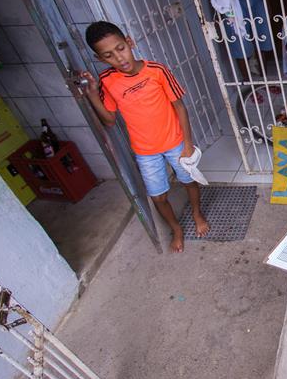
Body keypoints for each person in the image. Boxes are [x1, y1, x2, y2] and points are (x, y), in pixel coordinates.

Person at [81, 21, 210, 252]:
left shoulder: (157, 70)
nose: (119, 58)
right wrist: (92, 95)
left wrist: (187, 144)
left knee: (189, 181)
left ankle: (197, 213)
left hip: (175, 142)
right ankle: (176, 229)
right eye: (109, 55)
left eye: (121, 48)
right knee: (158, 197)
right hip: (144, 150)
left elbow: (180, 107)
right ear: (101, 59)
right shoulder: (107, 81)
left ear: (129, 42)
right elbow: (109, 120)